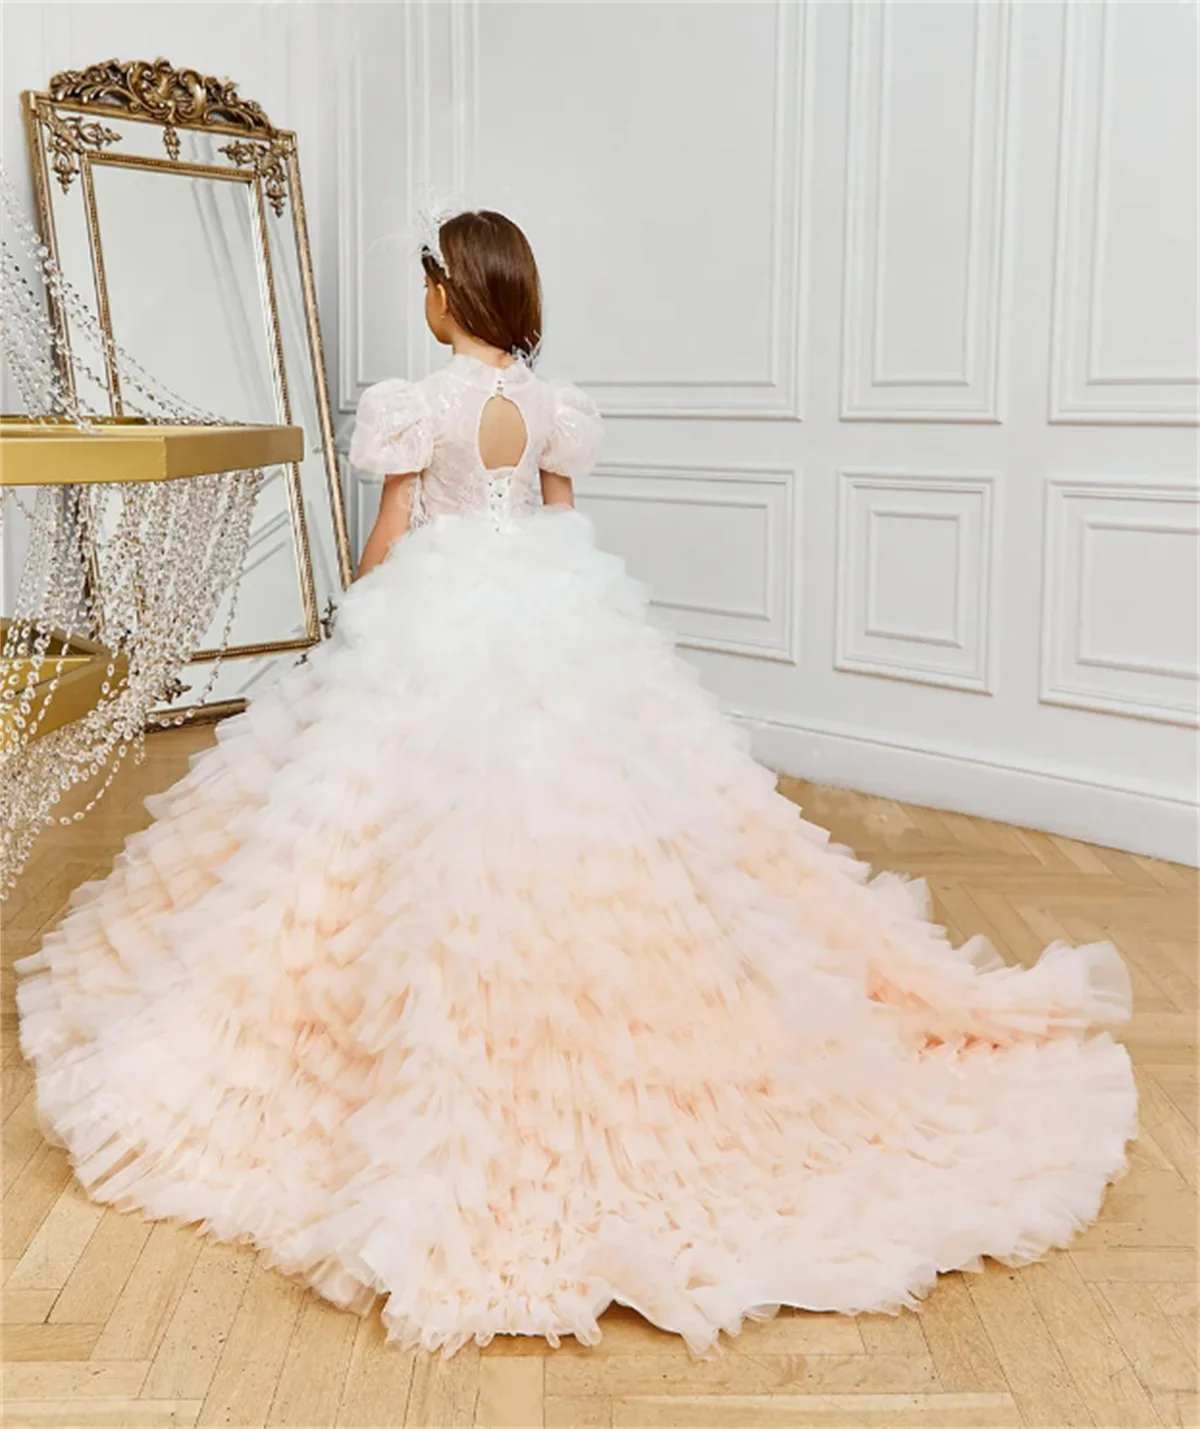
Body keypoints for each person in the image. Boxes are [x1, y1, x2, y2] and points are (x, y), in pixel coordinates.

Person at [14, 209, 1138, 1359]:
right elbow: (562, 519)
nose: (425, 299)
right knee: (599, 812)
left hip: (443, 606)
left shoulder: (416, 402)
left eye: (430, 283)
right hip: (550, 604)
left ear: (452, 294)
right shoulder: (553, 408)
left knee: (365, 822)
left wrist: (353, 621)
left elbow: (394, 534)